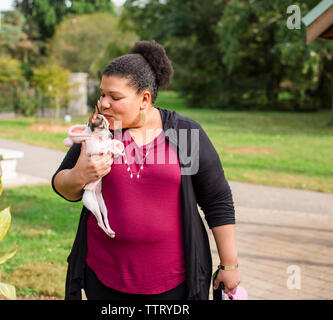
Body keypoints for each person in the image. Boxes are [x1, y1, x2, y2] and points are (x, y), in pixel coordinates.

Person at [52, 40, 240, 300]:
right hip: (104, 276)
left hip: (173, 281)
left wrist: (229, 265)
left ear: (144, 99)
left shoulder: (184, 134)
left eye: (115, 97)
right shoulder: (99, 131)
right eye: (102, 94)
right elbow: (61, 185)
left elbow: (217, 200)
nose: (104, 103)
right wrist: (80, 175)